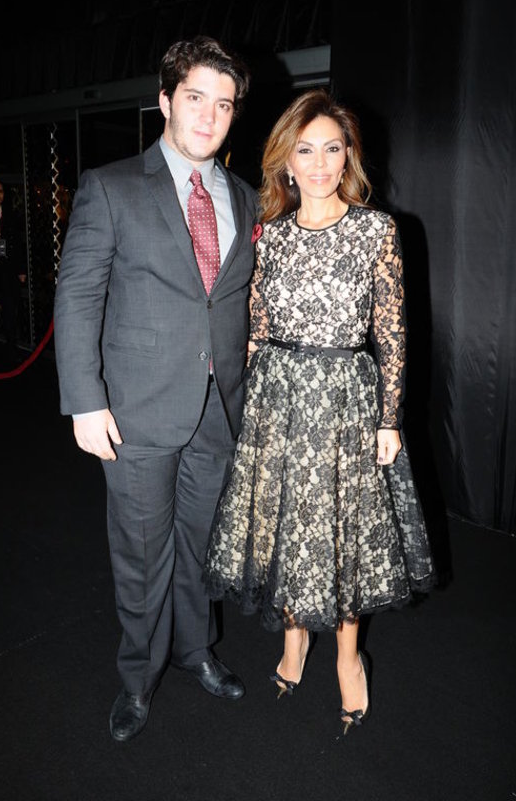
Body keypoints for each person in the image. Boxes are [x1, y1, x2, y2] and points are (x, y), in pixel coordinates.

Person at [204, 88, 435, 735]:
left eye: (333, 149)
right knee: (286, 525)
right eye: (305, 150)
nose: (320, 164)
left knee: (343, 533)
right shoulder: (269, 236)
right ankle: (295, 635)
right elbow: (255, 329)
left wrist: (389, 419)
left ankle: (347, 655)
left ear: (349, 155)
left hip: (346, 399)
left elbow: (393, 334)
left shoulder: (376, 231)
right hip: (278, 399)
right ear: (285, 159)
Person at [53, 36, 259, 742]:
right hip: (134, 411)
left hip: (218, 410)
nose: (208, 116)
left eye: (223, 104)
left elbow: (234, 304)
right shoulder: (110, 187)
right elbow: (78, 297)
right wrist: (85, 401)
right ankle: (139, 678)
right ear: (165, 100)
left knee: (198, 548)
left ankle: (195, 651)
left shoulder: (246, 198)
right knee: (143, 553)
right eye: (195, 97)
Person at [0, 179, 27, 366]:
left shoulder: (10, 217)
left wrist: (21, 270)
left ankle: (12, 352)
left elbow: (18, 245)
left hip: (7, 273)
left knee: (10, 314)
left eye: (1, 191)